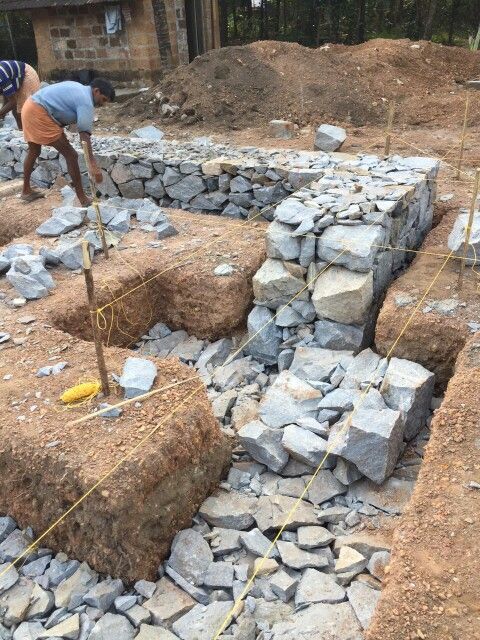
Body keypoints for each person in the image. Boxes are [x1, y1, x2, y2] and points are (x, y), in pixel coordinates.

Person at [21, 77, 115, 204]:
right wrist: (93, 164)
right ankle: (82, 198)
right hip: (39, 112)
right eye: (103, 100)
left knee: (33, 151)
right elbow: (84, 135)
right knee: (71, 155)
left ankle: (26, 191)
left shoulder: (79, 88)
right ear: (96, 91)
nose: (102, 104)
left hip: (29, 106)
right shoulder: (86, 100)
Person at [0, 60, 40, 130]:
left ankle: (32, 133)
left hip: (26, 74)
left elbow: (12, 102)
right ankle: (22, 133)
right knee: (15, 111)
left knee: (23, 111)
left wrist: (1, 113)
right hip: (15, 79)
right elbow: (7, 97)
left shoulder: (1, 76)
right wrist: (2, 113)